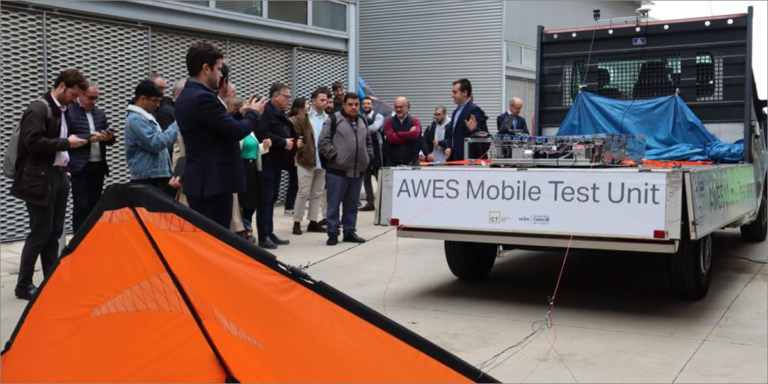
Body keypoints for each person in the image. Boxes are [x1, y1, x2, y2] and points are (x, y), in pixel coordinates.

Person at [10, 68, 89, 300]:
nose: (76, 100)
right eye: (74, 95)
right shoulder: (39, 108)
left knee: (54, 232)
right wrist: (67, 143)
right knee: (40, 232)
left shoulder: (61, 110)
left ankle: (51, 280)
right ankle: (23, 285)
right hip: (39, 179)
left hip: (58, 176)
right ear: (62, 86)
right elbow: (32, 142)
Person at [175, 42, 266, 229]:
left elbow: (215, 126)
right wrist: (254, 114)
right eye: (218, 69)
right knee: (214, 241)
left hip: (205, 183)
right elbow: (235, 131)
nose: (221, 75)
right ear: (205, 69)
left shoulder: (189, 94)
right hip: (212, 185)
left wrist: (240, 113)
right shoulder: (203, 97)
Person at [318, 92, 373, 246]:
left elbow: (368, 142)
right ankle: (333, 233)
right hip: (337, 172)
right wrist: (336, 158)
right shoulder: (334, 120)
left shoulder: (363, 120)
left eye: (356, 104)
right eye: (350, 104)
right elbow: (323, 142)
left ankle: (349, 232)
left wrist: (367, 158)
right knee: (334, 205)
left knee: (351, 205)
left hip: (357, 172)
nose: (354, 107)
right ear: (344, 105)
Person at [67, 81, 116, 232]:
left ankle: (92, 238)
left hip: (98, 165)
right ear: (80, 95)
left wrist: (109, 137)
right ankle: (78, 240)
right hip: (80, 166)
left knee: (95, 205)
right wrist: (88, 137)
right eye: (90, 97)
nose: (93, 101)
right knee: (81, 205)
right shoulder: (70, 111)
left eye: (96, 98)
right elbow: (66, 137)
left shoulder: (99, 113)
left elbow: (110, 138)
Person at [255, 82, 295, 249]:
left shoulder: (280, 113)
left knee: (271, 199)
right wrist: (283, 142)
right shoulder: (266, 111)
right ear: (275, 96)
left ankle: (269, 232)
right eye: (286, 96)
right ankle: (263, 236)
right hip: (267, 162)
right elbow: (262, 133)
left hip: (277, 163)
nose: (288, 99)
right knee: (264, 200)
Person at [125, 80, 179, 189]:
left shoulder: (144, 117)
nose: (158, 105)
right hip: (147, 178)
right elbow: (156, 143)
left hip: (154, 175)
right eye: (155, 101)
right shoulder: (136, 119)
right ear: (142, 99)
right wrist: (178, 124)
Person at [291, 88, 329, 235]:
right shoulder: (302, 118)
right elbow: (295, 136)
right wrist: (301, 150)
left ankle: (313, 221)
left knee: (317, 193)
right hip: (306, 160)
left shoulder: (328, 118)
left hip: (323, 161)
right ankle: (297, 222)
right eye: (322, 100)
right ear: (313, 101)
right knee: (303, 192)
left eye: (326, 100)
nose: (325, 102)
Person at [449, 78, 488, 161]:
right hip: (455, 158)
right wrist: (448, 147)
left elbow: (483, 133)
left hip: (468, 159)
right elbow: (452, 134)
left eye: (455, 92)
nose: (451, 95)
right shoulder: (455, 112)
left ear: (465, 93)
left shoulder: (474, 109)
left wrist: (473, 130)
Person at [360, 96, 384, 211]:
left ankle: (382, 202)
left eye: (368, 103)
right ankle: (370, 203)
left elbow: (374, 128)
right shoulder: (360, 117)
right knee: (366, 178)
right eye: (364, 104)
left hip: (377, 150)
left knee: (379, 177)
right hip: (364, 150)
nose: (366, 105)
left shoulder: (378, 116)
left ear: (372, 105)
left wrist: (359, 131)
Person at [383, 96, 421, 166]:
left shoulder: (415, 121)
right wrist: (409, 135)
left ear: (407, 107)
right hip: (392, 163)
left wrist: (397, 134)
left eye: (401, 107)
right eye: (396, 107)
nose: (398, 109)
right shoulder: (388, 122)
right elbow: (391, 139)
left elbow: (415, 135)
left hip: (411, 163)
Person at [283, 98, 304, 217]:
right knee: (294, 181)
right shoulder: (292, 119)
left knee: (297, 182)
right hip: (293, 155)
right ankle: (289, 206)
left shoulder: (300, 118)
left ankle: (293, 204)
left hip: (298, 154)